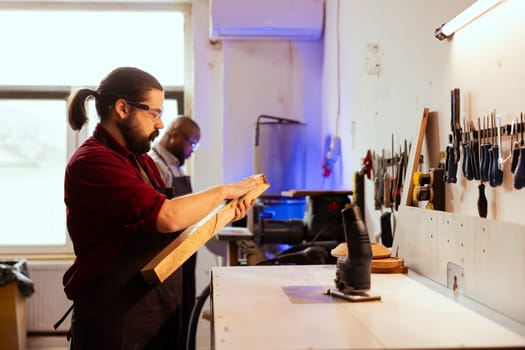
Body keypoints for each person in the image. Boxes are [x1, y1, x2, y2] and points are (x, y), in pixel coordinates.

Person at [62, 67, 257, 349]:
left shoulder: (141, 161)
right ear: (122, 108)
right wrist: (223, 191)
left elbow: (177, 224)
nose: (161, 124)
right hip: (115, 314)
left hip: (154, 305)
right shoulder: (93, 162)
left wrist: (224, 210)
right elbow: (166, 216)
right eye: (154, 113)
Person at [149, 116, 201, 347]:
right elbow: (165, 217)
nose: (192, 150)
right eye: (192, 143)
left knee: (183, 321)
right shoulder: (156, 166)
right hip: (168, 255)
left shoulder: (174, 166)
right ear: (175, 135)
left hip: (184, 255)